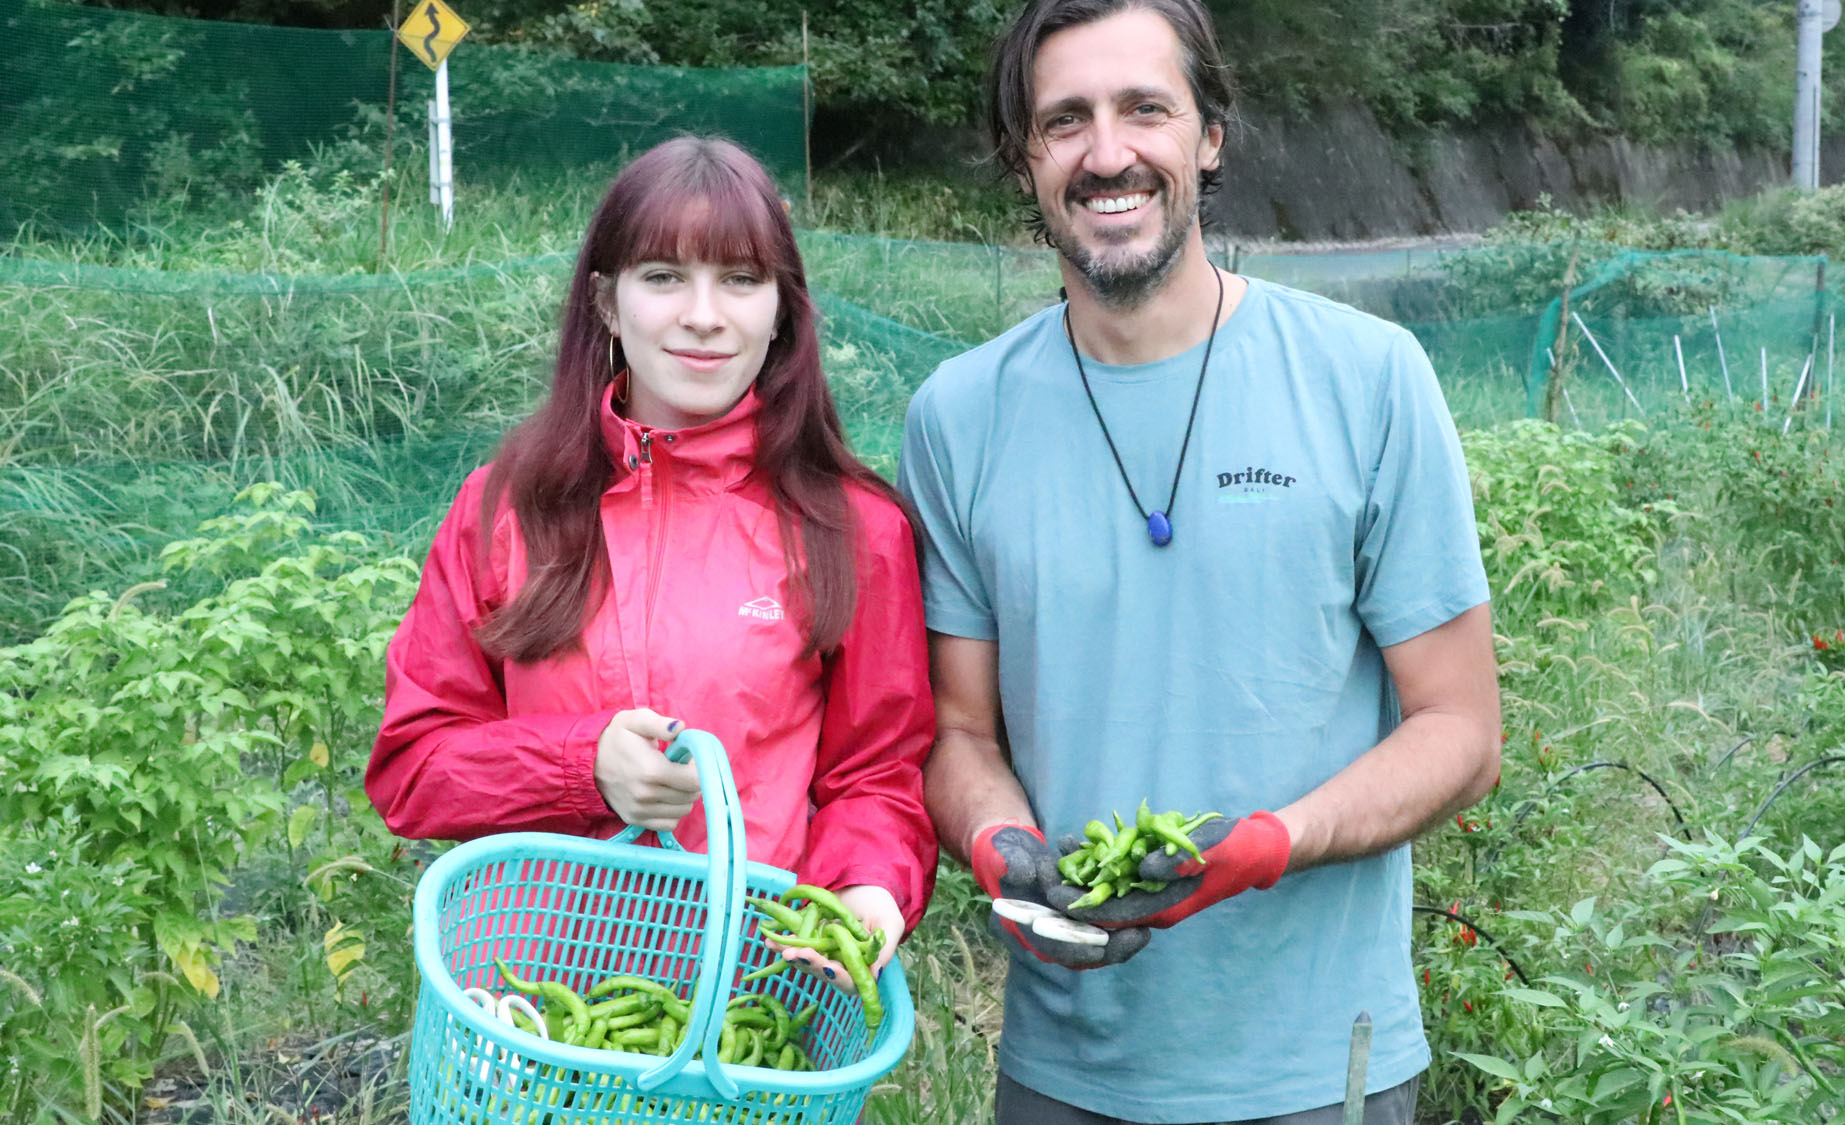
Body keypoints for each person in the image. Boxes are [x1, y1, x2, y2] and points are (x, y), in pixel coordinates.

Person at [896, 2, 1502, 1122]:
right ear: (1022, 157)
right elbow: (959, 733)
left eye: (1144, 109)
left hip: (1320, 1068)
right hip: (1064, 1072)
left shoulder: (1366, 378)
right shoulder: (956, 417)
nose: (1106, 153)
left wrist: (1272, 843)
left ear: (1208, 135)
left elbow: (1459, 734)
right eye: (1062, 121)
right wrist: (1000, 845)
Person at [369, 136, 937, 985]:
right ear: (606, 301)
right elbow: (414, 767)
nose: (703, 314)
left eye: (741, 280)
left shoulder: (852, 527)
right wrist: (579, 766)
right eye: (664, 276)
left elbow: (877, 774)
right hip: (530, 1010)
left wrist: (865, 885)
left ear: (783, 307)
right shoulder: (503, 508)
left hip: (751, 1002)